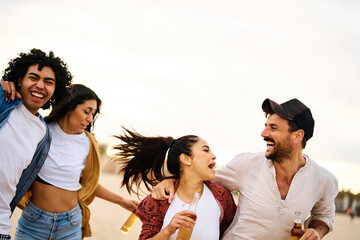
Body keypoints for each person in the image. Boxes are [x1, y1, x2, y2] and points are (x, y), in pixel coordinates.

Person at [152, 98, 339, 240]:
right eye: (265, 126)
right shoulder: (246, 164)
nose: (263, 134)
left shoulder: (324, 180)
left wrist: (317, 231)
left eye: (273, 128)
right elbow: (199, 179)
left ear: (297, 136)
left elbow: (324, 215)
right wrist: (170, 179)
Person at [9, 84, 139, 239]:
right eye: (86, 111)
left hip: (70, 225)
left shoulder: (88, 143)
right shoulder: (40, 131)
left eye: (93, 113)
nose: (90, 119)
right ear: (69, 107)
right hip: (34, 223)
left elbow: (88, 184)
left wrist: (122, 201)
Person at [112, 129, 236, 240]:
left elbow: (230, 233)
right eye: (206, 150)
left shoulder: (222, 197)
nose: (214, 156)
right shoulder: (156, 201)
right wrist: (168, 230)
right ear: (186, 159)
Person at [0, 48, 72, 240]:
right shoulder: (3, 101)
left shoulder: (43, 134)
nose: (40, 85)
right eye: (33, 77)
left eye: (48, 82)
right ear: (19, 80)